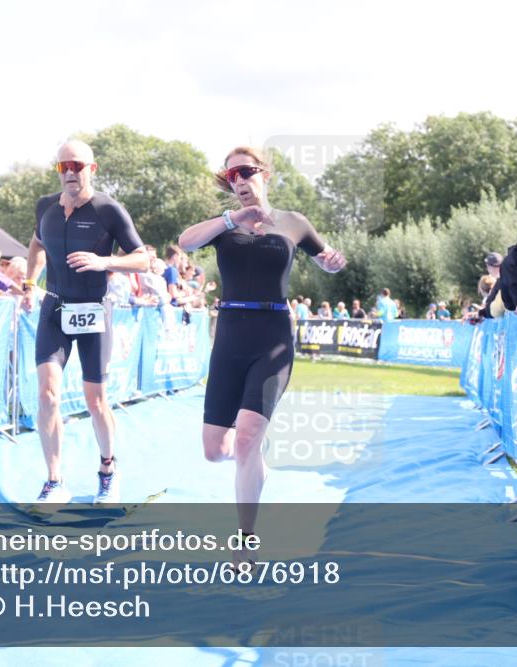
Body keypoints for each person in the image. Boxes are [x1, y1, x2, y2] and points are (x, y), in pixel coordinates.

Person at [177, 146, 345, 565]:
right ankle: (252, 456)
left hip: (272, 337)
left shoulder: (293, 223)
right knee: (216, 450)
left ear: (264, 174)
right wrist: (233, 219)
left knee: (249, 436)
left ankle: (246, 538)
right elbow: (185, 241)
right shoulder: (224, 224)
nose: (239, 181)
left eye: (246, 172)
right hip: (230, 337)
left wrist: (332, 265)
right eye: (231, 176)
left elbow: (326, 261)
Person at [23, 139, 149, 504]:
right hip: (54, 308)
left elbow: (143, 259)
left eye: (77, 165)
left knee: (96, 400)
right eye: (64, 166)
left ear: (92, 169)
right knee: (47, 394)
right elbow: (35, 245)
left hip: (94, 310)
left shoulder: (109, 210)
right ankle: (54, 481)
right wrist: (30, 283)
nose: (70, 172)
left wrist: (104, 262)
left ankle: (108, 470)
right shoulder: (45, 206)